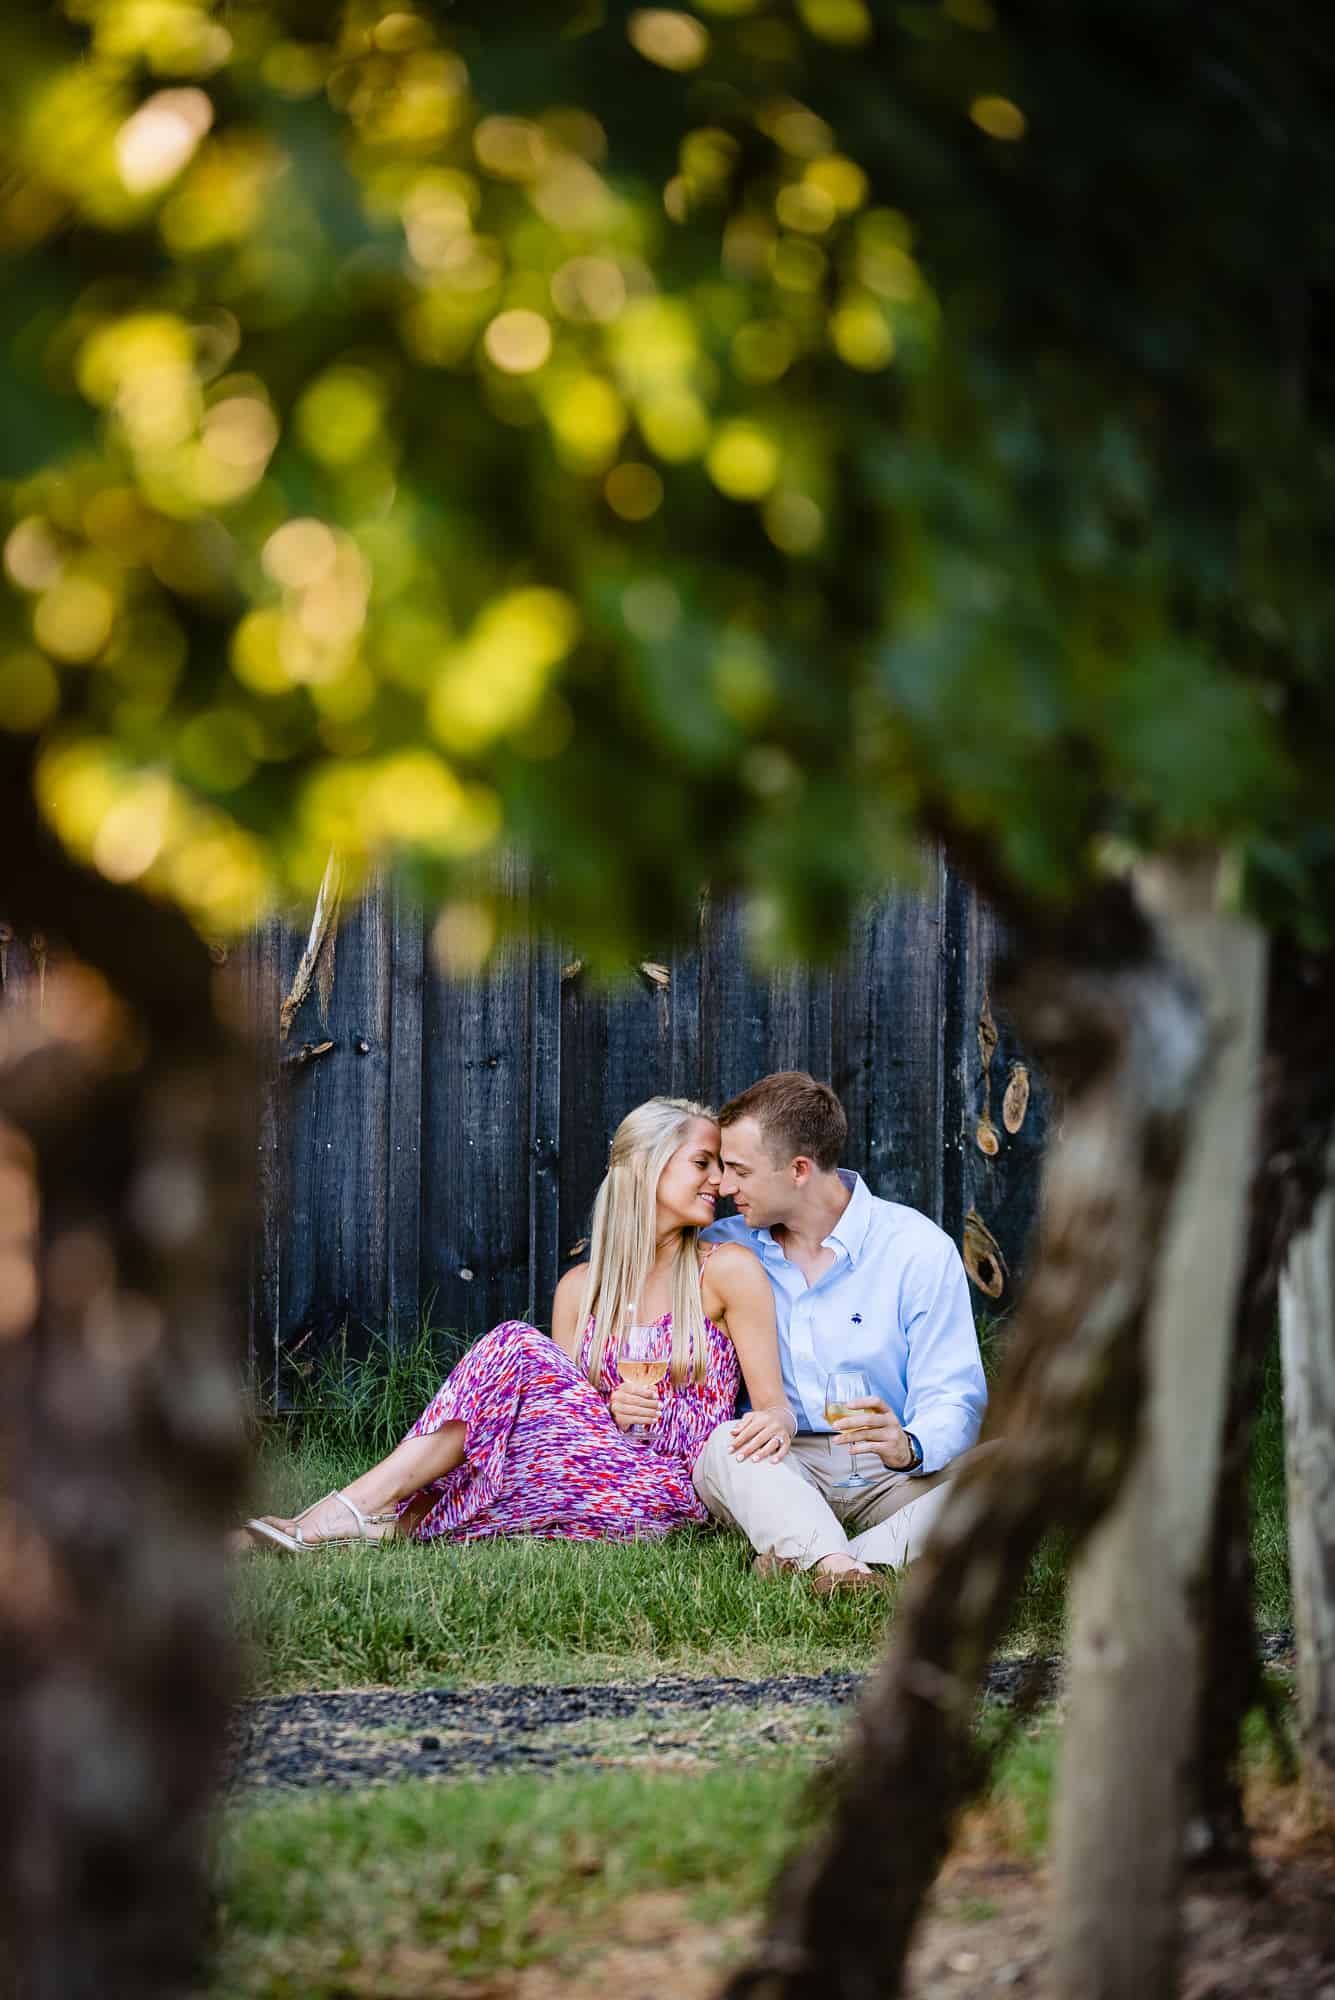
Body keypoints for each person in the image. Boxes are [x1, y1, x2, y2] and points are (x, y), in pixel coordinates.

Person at [245, 1097, 795, 1552]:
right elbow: (564, 1419)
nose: (720, 1182)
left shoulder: (724, 1272)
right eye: (704, 1163)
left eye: (720, 1166)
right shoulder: (582, 1289)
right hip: (581, 1471)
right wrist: (612, 1406)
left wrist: (777, 1423)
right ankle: (361, 1527)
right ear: (649, 1166)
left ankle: (349, 1511)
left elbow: (771, 1408)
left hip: (674, 1485)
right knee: (515, 1435)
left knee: (515, 1344)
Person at [693, 1071, 989, 1592]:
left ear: (799, 1169)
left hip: (888, 1471)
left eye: (739, 1169)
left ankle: (825, 1559)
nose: (724, 1186)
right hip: (777, 1466)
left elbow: (955, 1397)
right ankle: (853, 1564)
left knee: (1011, 1467)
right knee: (724, 1444)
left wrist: (909, 1447)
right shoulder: (724, 1248)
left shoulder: (916, 1249)